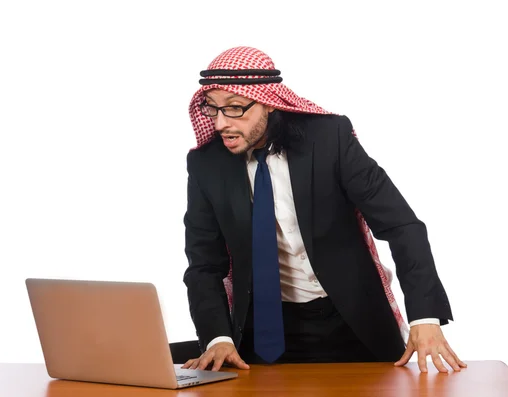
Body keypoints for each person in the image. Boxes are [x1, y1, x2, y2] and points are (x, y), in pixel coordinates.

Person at [171, 46, 466, 374]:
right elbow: (204, 265)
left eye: (235, 108)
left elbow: (401, 226)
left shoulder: (329, 140)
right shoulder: (206, 164)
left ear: (268, 102)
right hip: (261, 332)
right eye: (212, 110)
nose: (222, 123)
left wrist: (424, 317)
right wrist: (217, 338)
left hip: (352, 322)